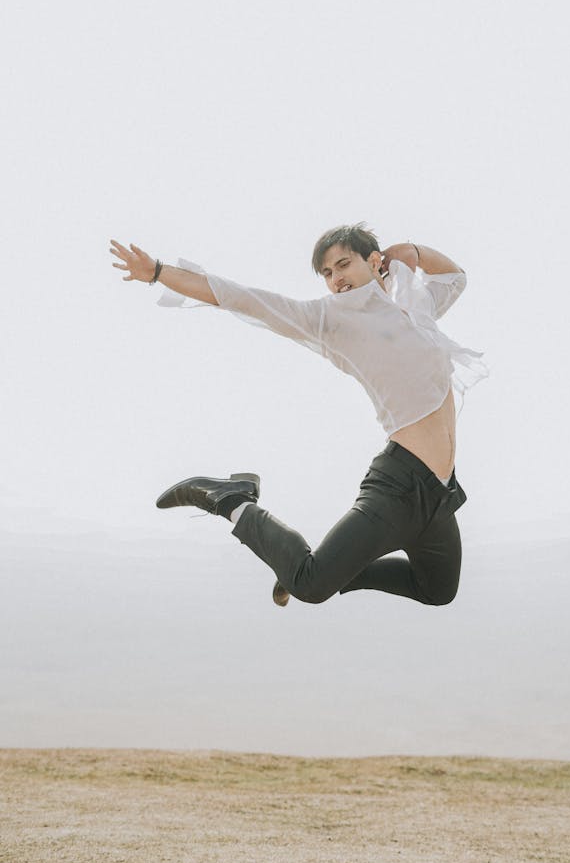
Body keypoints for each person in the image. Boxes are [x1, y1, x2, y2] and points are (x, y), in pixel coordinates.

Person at [109, 223, 487, 608]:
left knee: (437, 590)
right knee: (309, 584)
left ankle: (327, 568)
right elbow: (242, 298)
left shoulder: (413, 304)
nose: (336, 278)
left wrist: (413, 251)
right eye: (327, 273)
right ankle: (230, 499)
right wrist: (158, 272)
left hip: (439, 491)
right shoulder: (330, 320)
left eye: (343, 265)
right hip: (399, 486)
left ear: (374, 261)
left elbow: (455, 278)